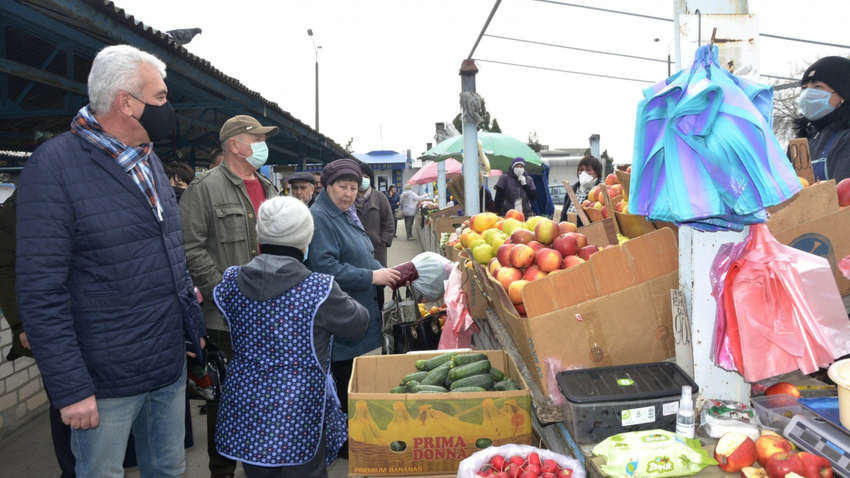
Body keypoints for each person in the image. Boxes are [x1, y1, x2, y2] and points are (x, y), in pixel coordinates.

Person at [15, 44, 205, 477]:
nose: (167, 107)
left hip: (166, 367)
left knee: (169, 469)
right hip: (103, 381)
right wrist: (70, 387)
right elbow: (41, 290)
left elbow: (164, 249)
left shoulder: (149, 160)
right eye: (159, 97)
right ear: (127, 103)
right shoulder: (54, 168)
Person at [213, 196, 368, 478]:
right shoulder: (318, 289)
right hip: (299, 409)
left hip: (247, 405)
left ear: (260, 233)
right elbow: (357, 323)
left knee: (256, 470)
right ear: (305, 238)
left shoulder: (232, 280)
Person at [180, 114, 279, 478]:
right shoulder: (203, 190)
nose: (262, 144)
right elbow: (190, 248)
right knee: (226, 401)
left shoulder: (269, 189)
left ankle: (262, 465)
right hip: (225, 319)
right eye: (257, 137)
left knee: (264, 397)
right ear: (235, 143)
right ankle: (220, 472)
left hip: (268, 314)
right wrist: (225, 292)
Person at [306, 158, 401, 458]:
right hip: (339, 315)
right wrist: (372, 276)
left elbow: (361, 251)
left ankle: (351, 436)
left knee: (352, 374)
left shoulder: (344, 213)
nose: (349, 194)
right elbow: (324, 267)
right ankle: (344, 442)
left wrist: (385, 271)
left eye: (353, 188)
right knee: (342, 375)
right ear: (328, 186)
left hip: (355, 307)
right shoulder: (321, 218)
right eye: (342, 187)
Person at [795, 56, 850, 183]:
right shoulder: (801, 143)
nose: (808, 93)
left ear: (843, 95)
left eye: (818, 86)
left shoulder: (845, 139)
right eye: (804, 88)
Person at [558, 155, 603, 225]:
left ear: (597, 173)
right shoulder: (571, 190)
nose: (583, 173)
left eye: (588, 170)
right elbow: (563, 214)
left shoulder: (601, 193)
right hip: (568, 232)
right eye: (581, 170)